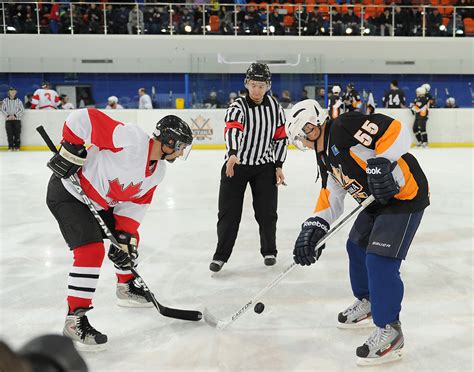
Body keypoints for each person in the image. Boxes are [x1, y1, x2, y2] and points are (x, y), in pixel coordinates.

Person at [285, 99, 429, 366]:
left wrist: (381, 162)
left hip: (405, 196)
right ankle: (368, 301)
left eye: (300, 137)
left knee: (380, 260)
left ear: (310, 126)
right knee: (356, 246)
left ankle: (391, 331)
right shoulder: (324, 154)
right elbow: (332, 193)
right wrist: (315, 225)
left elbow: (394, 130)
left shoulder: (343, 126)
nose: (301, 144)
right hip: (375, 202)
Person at [45, 109, 193, 350]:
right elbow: (82, 119)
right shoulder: (132, 140)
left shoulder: (159, 172)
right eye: (181, 146)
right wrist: (71, 147)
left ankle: (125, 286)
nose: (182, 152)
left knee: (125, 242)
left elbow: (136, 204)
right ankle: (74, 319)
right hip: (70, 193)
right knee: (91, 252)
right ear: (168, 142)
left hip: (101, 201)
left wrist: (124, 238)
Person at [209, 63, 288, 272]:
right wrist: (232, 153)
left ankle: (269, 250)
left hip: (264, 167)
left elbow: (280, 138)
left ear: (268, 86)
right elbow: (233, 130)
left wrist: (278, 165)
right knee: (228, 213)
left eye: (261, 86)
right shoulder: (237, 106)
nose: (256, 90)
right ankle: (221, 255)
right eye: (253, 85)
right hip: (236, 166)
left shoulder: (275, 108)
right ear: (246, 83)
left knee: (267, 213)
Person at [1, 87, 25, 151]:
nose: (12, 93)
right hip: (8, 120)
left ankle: (17, 147)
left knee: (17, 134)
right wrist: (8, 115)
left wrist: (15, 115)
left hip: (17, 120)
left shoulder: (19, 101)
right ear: (9, 92)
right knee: (9, 134)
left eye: (14, 91)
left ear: (16, 92)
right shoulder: (5, 100)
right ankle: (10, 147)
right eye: (11, 91)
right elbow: (2, 109)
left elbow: (22, 110)